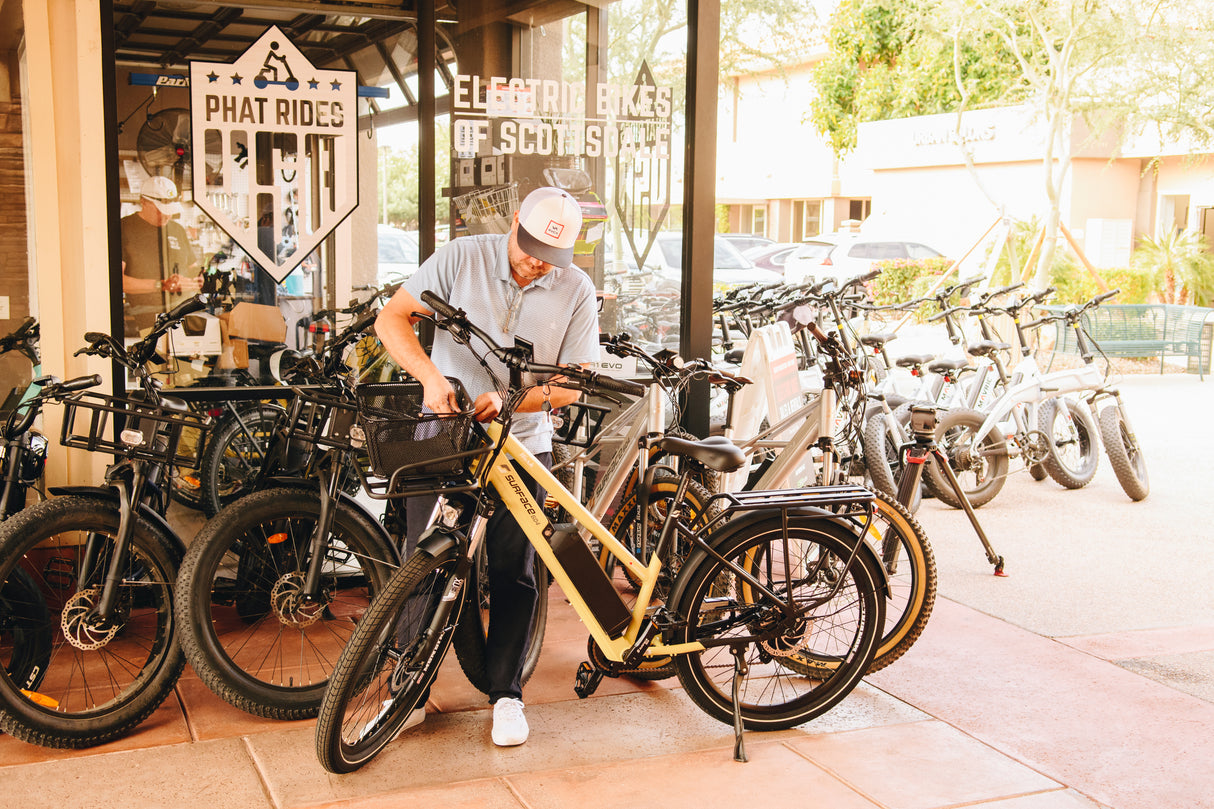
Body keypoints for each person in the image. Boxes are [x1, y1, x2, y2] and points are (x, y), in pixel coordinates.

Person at [375, 186, 599, 747]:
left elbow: (572, 384)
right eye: (530, 248)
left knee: (513, 570)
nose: (536, 263)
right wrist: (431, 379)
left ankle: (506, 695)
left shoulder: (575, 288)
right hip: (444, 436)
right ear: (515, 219)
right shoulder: (461, 257)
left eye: (550, 256)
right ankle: (407, 691)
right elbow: (392, 318)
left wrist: (511, 400)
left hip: (522, 445)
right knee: (421, 562)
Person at [121, 176, 202, 333]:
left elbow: (193, 269)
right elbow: (119, 282)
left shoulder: (177, 230)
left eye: (170, 211)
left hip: (183, 314)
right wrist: (161, 285)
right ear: (143, 202)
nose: (167, 216)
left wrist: (196, 280)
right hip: (145, 317)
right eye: (161, 210)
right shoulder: (124, 228)